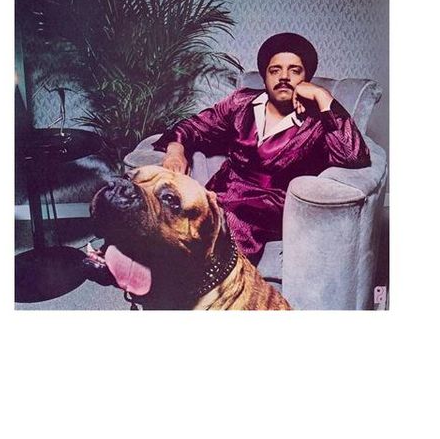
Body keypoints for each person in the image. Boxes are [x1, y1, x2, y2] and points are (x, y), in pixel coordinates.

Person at [153, 33, 371, 265]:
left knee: (225, 231)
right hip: (219, 194)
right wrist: (175, 151)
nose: (284, 77)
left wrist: (322, 96)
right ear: (265, 77)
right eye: (275, 70)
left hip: (268, 207)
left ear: (306, 78)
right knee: (171, 222)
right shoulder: (241, 103)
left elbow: (354, 156)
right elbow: (194, 126)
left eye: (295, 70)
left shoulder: (317, 120)